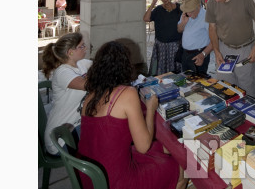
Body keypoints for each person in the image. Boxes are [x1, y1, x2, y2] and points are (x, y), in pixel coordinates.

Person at [78, 39, 186, 189]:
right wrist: (150, 109)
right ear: (125, 66)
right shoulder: (127, 93)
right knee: (180, 167)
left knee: (166, 148)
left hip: (90, 177)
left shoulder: (90, 96)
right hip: (116, 181)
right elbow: (144, 147)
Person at [204, 0, 255, 97]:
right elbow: (212, 28)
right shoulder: (211, 3)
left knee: (248, 90)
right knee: (226, 89)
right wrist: (216, 51)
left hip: (245, 50)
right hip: (224, 49)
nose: (216, 0)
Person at [41, 32, 91, 155]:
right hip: (61, 137)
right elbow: (87, 85)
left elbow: (102, 66)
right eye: (81, 46)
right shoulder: (62, 72)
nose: (85, 48)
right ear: (70, 52)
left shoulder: (81, 64)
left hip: (77, 126)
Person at [143, 0, 183, 75]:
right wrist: (153, 2)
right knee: (161, 68)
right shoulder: (158, 10)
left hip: (175, 44)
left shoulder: (180, 8)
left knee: (175, 68)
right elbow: (146, 18)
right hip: (161, 45)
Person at [177, 0, 211, 74]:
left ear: (198, 6)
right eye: (187, 12)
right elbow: (179, 30)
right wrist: (183, 23)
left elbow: (215, 40)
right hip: (185, 54)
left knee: (198, 83)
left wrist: (203, 54)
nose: (189, 14)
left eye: (191, 11)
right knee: (186, 81)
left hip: (199, 55)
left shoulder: (207, 16)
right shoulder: (185, 15)